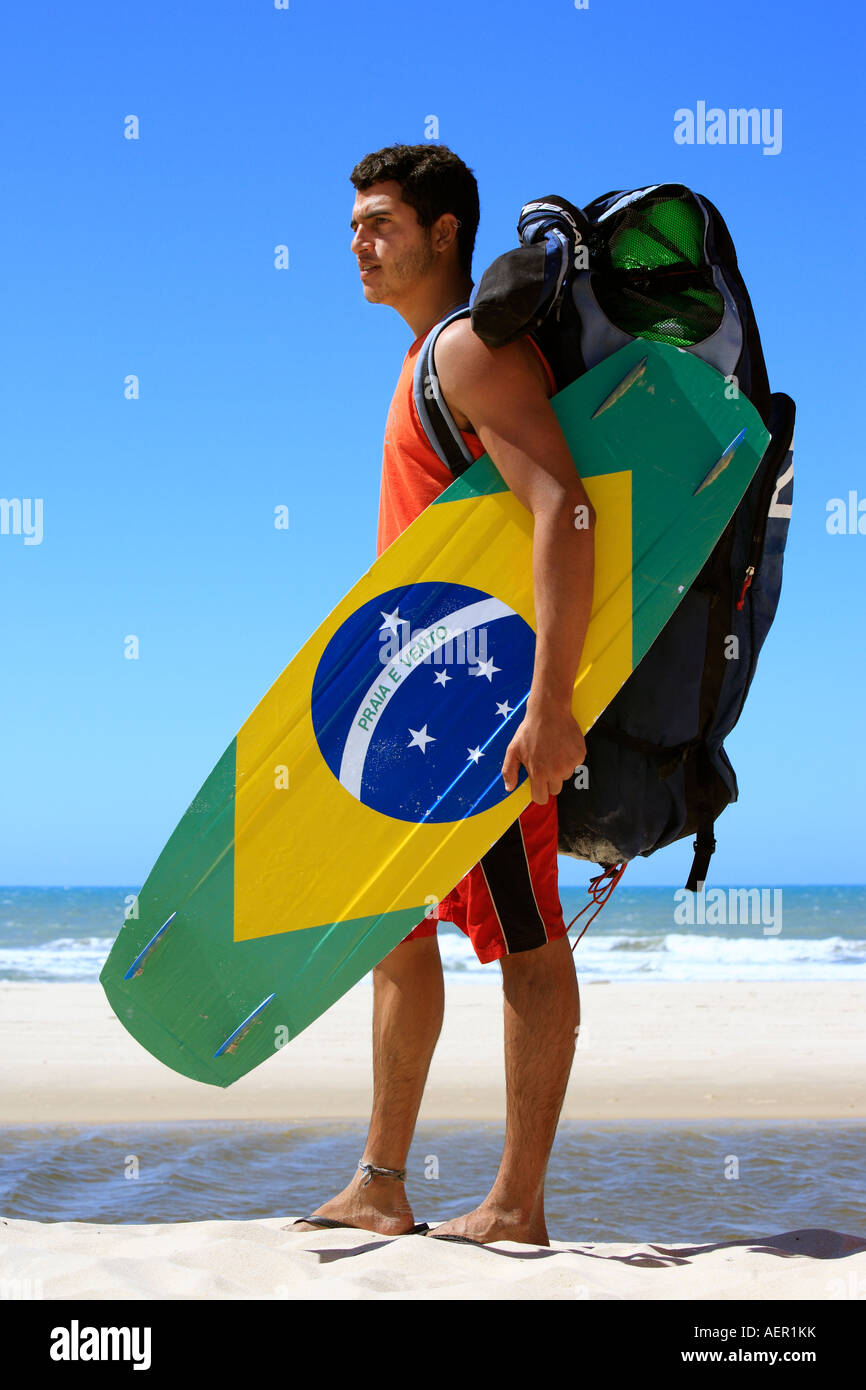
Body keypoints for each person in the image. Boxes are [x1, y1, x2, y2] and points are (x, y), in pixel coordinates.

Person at [290, 144, 595, 1247]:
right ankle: (382, 1177)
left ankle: (516, 1205)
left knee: (524, 937)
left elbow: (564, 507)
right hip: (416, 717)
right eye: (355, 224)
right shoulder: (424, 360)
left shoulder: (465, 352)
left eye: (380, 221)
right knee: (395, 931)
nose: (360, 241)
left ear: (444, 232)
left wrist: (549, 703)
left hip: (487, 709)